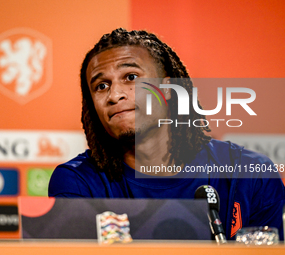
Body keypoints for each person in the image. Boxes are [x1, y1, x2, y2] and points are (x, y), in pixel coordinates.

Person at [49, 28, 285, 240]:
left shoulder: (251, 176)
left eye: (131, 77)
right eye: (101, 86)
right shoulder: (76, 182)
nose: (114, 95)